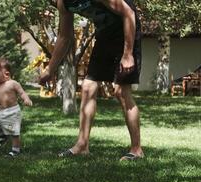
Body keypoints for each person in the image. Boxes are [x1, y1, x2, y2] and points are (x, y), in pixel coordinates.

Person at [39, 0, 144, 160]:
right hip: (105, 35)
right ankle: (82, 145)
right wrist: (50, 69)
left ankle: (136, 150)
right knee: (88, 86)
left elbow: (128, 13)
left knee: (121, 91)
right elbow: (64, 37)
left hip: (127, 30)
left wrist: (128, 54)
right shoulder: (63, 3)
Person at [0, 57, 33, 157]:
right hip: (0, 111)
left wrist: (26, 99)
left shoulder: (13, 84)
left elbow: (22, 93)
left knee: (14, 132)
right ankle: (3, 134)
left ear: (7, 74)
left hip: (13, 111)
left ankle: (15, 150)